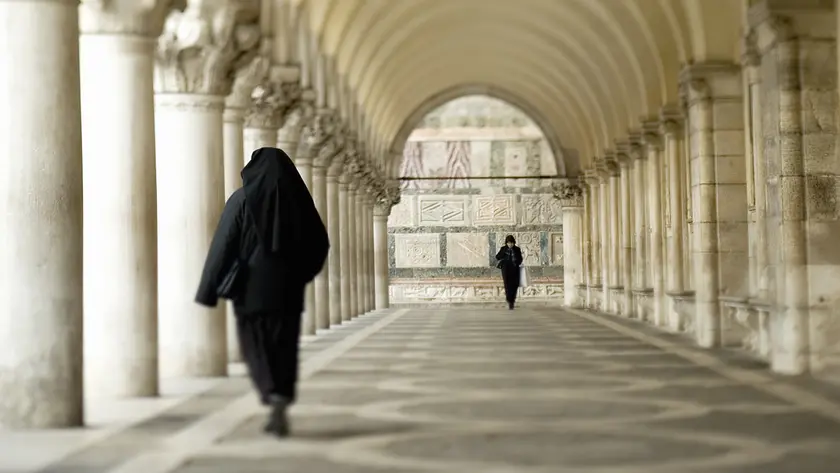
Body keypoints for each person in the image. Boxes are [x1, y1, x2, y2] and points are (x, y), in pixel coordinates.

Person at [195, 147, 329, 438]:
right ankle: (281, 395)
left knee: (256, 345)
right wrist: (300, 275)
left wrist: (208, 289)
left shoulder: (242, 199)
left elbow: (223, 245)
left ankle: (271, 393)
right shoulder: (299, 201)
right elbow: (319, 245)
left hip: (250, 290)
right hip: (287, 291)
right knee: (284, 344)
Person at [496, 235, 523, 310]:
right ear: (506, 243)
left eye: (511, 243)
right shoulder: (503, 249)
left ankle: (512, 300)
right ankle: (509, 300)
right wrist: (504, 252)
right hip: (506, 269)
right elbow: (497, 257)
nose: (510, 244)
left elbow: (520, 259)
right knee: (507, 285)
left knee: (515, 285)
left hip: (515, 269)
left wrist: (516, 261)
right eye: (508, 243)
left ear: (514, 243)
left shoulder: (517, 249)